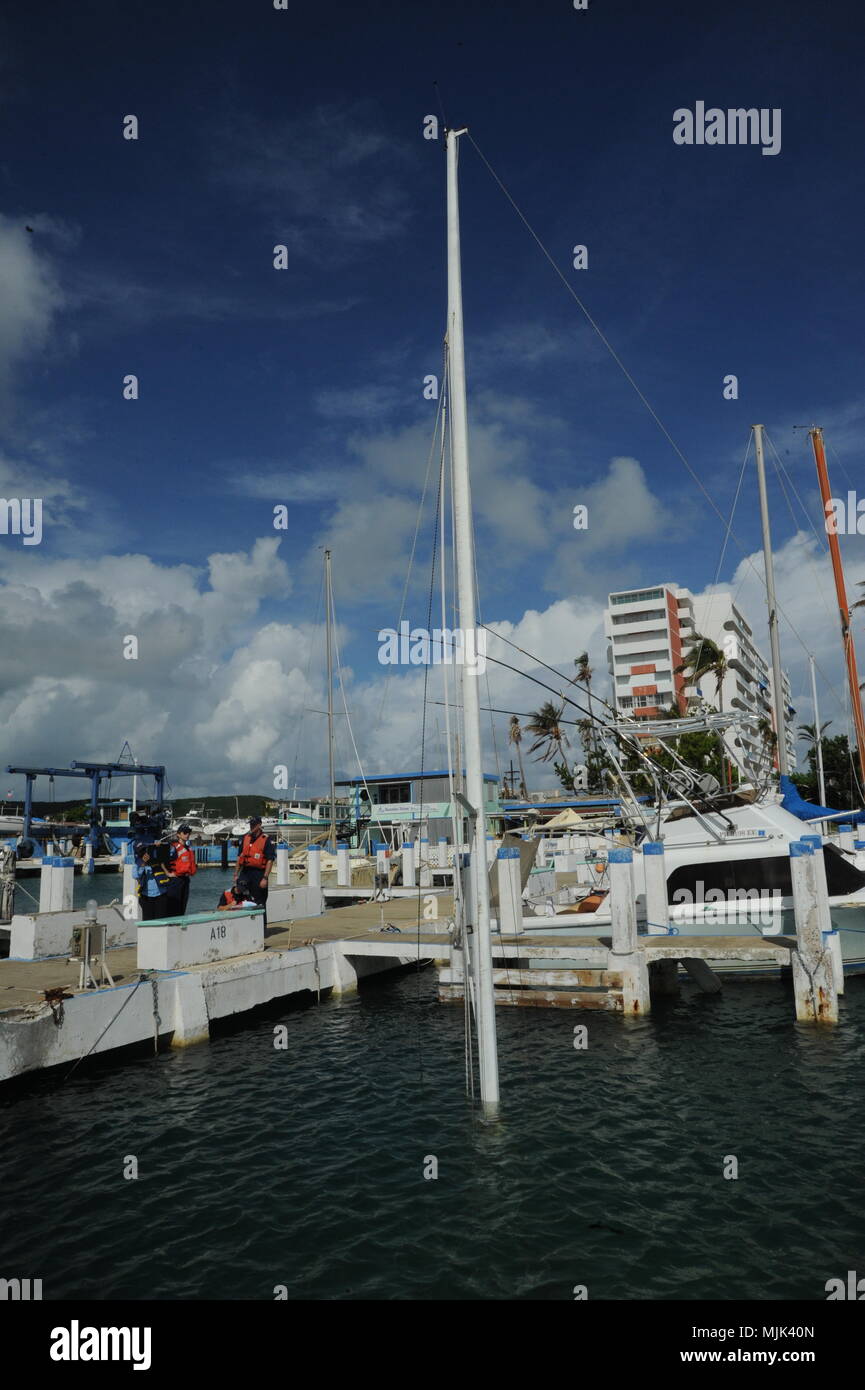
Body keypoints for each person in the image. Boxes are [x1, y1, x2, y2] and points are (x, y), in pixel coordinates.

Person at [234, 815, 275, 923]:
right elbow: (239, 857)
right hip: (246, 871)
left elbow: (270, 860)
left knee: (260, 901)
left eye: (254, 824)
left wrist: (265, 878)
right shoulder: (245, 838)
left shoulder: (266, 839)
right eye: (250, 824)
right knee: (238, 891)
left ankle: (261, 928)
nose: (251, 826)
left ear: (259, 825)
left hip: (259, 874)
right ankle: (244, 922)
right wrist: (236, 874)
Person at [133, 842, 173, 920]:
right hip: (146, 896)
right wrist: (143, 863)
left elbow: (171, 852)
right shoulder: (137, 863)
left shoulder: (156, 857)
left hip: (161, 893)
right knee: (148, 920)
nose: (144, 853)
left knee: (161, 919)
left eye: (145, 850)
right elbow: (136, 875)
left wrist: (160, 846)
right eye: (141, 851)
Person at [168, 823, 197, 913]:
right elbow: (164, 861)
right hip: (176, 880)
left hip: (186, 879)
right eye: (184, 832)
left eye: (188, 832)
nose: (187, 834)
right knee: (174, 906)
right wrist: (167, 873)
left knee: (183, 906)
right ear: (178, 834)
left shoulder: (189, 848)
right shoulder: (173, 848)